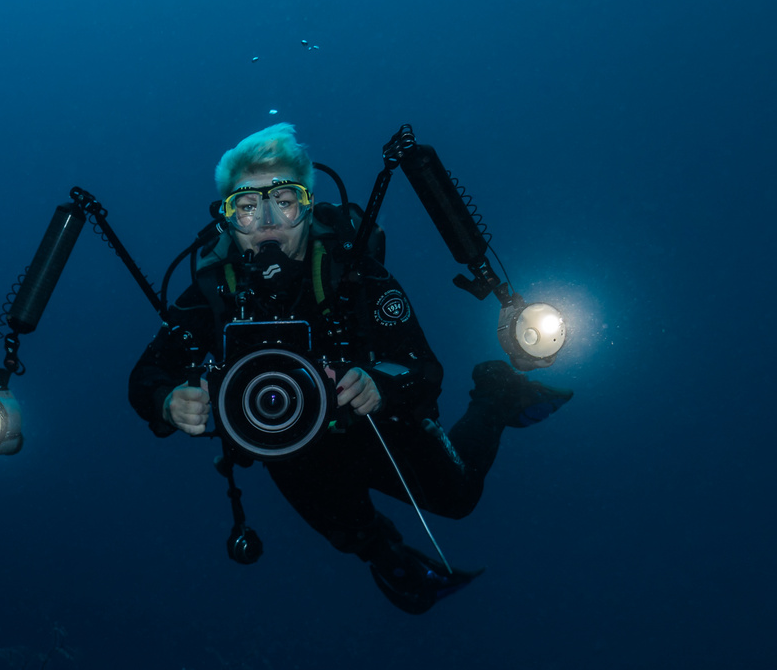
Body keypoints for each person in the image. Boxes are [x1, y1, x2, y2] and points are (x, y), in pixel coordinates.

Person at [127, 124, 572, 612]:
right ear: (228, 219)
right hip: (288, 439)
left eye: (285, 200)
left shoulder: (354, 272)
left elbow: (423, 367)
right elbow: (145, 375)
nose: (268, 221)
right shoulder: (212, 292)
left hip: (372, 423)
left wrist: (379, 383)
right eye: (247, 207)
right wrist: (167, 402)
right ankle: (379, 551)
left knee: (459, 499)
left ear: (310, 205)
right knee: (283, 446)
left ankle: (496, 393)